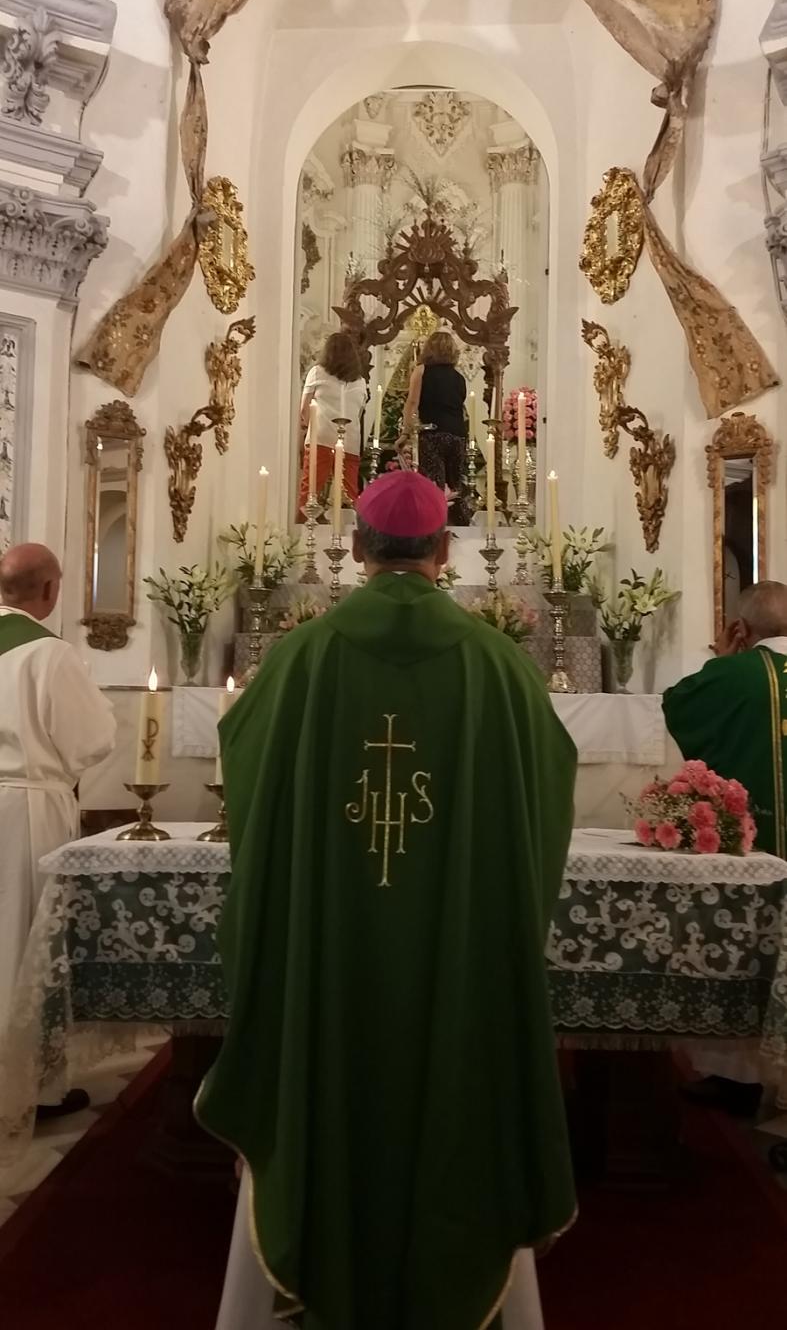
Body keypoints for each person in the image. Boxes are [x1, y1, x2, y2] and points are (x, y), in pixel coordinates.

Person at [197, 471, 578, 1330]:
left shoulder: (300, 657)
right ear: (446, 549)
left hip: (325, 960)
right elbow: (543, 801)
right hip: (458, 962)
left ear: (360, 550)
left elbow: (248, 788)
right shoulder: (498, 667)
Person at [663, 579, 787, 1117]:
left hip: (756, 855)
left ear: (743, 628)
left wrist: (725, 657)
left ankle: (738, 1080)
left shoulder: (733, 674)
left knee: (744, 951)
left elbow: (678, 706)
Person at [0, 543, 116, 1116]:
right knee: (25, 941)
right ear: (49, 590)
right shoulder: (49, 654)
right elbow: (91, 739)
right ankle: (32, 1087)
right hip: (26, 809)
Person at [399, 329, 470, 519]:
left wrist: (405, 433)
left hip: (432, 434)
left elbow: (412, 403)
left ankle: (433, 527)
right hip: (457, 435)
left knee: (433, 487)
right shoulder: (459, 378)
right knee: (456, 487)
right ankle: (460, 527)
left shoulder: (421, 370)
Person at [298, 331, 367, 517]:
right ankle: (349, 537)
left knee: (310, 492)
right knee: (350, 495)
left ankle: (305, 534)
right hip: (350, 441)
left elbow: (304, 409)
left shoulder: (317, 372)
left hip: (320, 437)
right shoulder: (360, 381)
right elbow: (359, 411)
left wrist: (304, 430)